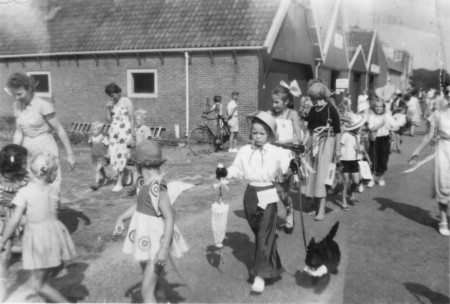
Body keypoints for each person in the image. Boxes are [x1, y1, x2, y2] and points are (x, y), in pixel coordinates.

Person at [218, 111, 293, 294]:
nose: (257, 137)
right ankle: (270, 263)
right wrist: (225, 173)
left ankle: (260, 274)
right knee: (260, 232)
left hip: (267, 193)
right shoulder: (245, 151)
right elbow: (236, 169)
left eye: (262, 133)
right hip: (250, 195)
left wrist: (293, 166)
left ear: (268, 134)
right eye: (254, 132)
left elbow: (287, 166)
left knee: (264, 235)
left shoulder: (276, 152)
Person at [114, 140, 188, 302]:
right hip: (145, 239)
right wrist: (121, 218)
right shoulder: (144, 183)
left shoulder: (157, 186)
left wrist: (163, 249)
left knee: (146, 292)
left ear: (139, 165)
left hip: (156, 243)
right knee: (155, 285)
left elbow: (169, 217)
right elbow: (138, 206)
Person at [0, 152, 76, 302]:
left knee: (37, 285)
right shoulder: (54, 191)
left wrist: (3, 239)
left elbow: (14, 221)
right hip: (54, 236)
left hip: (38, 239)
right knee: (42, 276)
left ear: (30, 170)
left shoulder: (25, 192)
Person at [6, 72, 76, 205]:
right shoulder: (17, 106)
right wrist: (13, 154)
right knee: (30, 185)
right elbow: (19, 132)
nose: (17, 97)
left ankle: (51, 217)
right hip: (28, 150)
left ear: (29, 89)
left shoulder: (43, 105)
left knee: (50, 186)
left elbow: (60, 130)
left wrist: (70, 154)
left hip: (45, 148)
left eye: (20, 94)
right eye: (14, 94)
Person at [409, 86, 450, 236]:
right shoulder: (438, 114)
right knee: (443, 184)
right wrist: (416, 152)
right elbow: (429, 136)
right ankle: (443, 220)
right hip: (444, 150)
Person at [302, 82, 341, 221]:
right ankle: (317, 207)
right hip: (315, 143)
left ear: (318, 96)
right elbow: (309, 130)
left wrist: (337, 150)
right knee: (314, 174)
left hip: (327, 142)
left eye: (312, 97)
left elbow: (337, 131)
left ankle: (322, 210)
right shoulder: (313, 110)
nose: (311, 100)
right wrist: (303, 144)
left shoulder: (331, 109)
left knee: (322, 176)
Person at [268, 83, 303, 233]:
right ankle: (272, 223)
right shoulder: (270, 114)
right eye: (273, 101)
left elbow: (298, 137)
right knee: (269, 191)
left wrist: (283, 142)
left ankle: (289, 211)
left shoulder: (292, 114)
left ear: (286, 101)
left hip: (286, 156)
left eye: (277, 102)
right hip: (271, 155)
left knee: (282, 193)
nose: (274, 105)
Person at [0, 144, 29, 302]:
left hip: (19, 217)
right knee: (4, 256)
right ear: (13, 164)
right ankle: (2, 289)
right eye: (23, 162)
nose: (26, 165)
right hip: (1, 219)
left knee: (30, 248)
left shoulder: (25, 178)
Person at [105, 83, 135, 192]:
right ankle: (127, 173)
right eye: (110, 96)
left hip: (124, 132)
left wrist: (132, 135)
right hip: (114, 132)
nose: (112, 98)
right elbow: (108, 120)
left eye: (113, 95)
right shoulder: (111, 103)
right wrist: (108, 109)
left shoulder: (127, 102)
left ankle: (119, 182)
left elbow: (132, 119)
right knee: (113, 155)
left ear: (118, 92)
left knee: (121, 156)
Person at [340, 113, 366, 210]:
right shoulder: (346, 135)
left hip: (354, 161)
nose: (361, 128)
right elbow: (340, 146)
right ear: (354, 127)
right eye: (360, 127)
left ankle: (350, 192)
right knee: (345, 181)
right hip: (345, 160)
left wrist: (359, 149)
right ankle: (344, 201)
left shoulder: (358, 136)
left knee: (356, 181)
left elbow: (358, 149)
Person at [366, 98, 391, 187]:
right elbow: (371, 128)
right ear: (374, 107)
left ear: (383, 107)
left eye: (380, 106)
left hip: (384, 139)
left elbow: (393, 126)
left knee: (383, 159)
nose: (378, 108)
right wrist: (382, 123)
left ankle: (381, 178)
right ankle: (372, 179)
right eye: (376, 106)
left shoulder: (387, 115)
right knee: (373, 159)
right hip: (375, 140)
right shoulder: (372, 116)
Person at [88, 122, 110, 191]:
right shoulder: (91, 137)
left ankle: (96, 184)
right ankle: (105, 178)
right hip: (95, 156)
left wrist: (108, 154)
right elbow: (91, 145)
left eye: (95, 130)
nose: (93, 131)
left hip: (102, 156)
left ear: (99, 130)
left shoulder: (102, 137)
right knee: (101, 169)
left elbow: (108, 145)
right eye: (93, 130)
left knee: (97, 170)